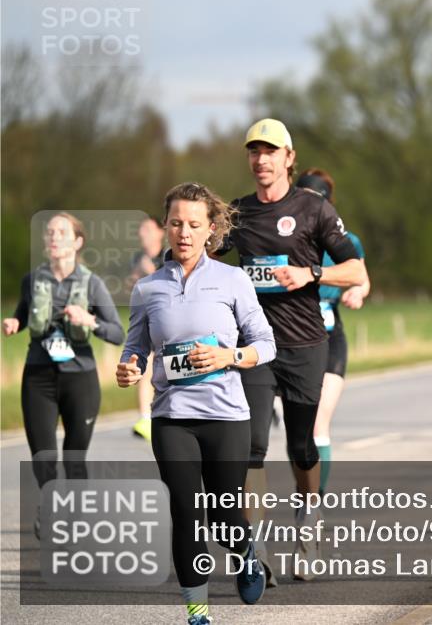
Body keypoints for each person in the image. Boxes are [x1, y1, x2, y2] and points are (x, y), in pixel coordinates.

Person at [118, 183, 276, 623]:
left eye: (193, 224)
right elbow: (135, 348)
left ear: (211, 229)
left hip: (226, 416)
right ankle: (196, 612)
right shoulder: (148, 288)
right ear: (165, 226)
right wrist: (129, 367)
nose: (183, 232)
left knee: (223, 515)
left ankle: (244, 550)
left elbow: (266, 344)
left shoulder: (232, 280)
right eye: (175, 223)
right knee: (185, 511)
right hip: (172, 419)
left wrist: (230, 356)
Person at [215, 118, 364, 582]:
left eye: (271, 151)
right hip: (255, 347)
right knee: (254, 446)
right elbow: (202, 255)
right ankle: (253, 550)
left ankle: (309, 518)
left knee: (301, 447)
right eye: (254, 152)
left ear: (288, 158)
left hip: (305, 345)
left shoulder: (313, 209)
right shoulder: (237, 213)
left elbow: (355, 269)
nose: (262, 159)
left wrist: (311, 275)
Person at [3, 213, 124, 516]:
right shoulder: (32, 280)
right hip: (38, 377)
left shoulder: (92, 283)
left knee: (74, 457)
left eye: (61, 231)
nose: (54, 237)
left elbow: (117, 333)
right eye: (49, 232)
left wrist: (89, 320)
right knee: (42, 456)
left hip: (80, 379)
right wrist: (14, 322)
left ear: (78, 241)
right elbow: (22, 315)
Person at [294, 168, 371, 496]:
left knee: (317, 424)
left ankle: (313, 503)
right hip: (291, 341)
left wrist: (358, 292)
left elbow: (361, 278)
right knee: (297, 433)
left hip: (329, 339)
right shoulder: (284, 237)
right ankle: (306, 490)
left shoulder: (345, 240)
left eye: (316, 201)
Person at [127, 216, 166, 441]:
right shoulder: (137, 258)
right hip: (143, 319)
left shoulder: (168, 256)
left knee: (160, 368)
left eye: (147, 229)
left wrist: (148, 270)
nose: (142, 233)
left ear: (160, 232)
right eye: (140, 229)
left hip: (164, 318)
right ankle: (144, 418)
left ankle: (157, 413)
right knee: (142, 364)